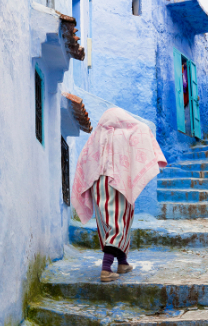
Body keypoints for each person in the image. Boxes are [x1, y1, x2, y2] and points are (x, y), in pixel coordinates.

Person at [72, 107, 167, 281]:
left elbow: (84, 160)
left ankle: (123, 263)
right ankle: (106, 269)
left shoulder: (96, 136)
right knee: (119, 223)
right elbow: (142, 132)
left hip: (98, 184)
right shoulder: (126, 133)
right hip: (118, 183)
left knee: (108, 223)